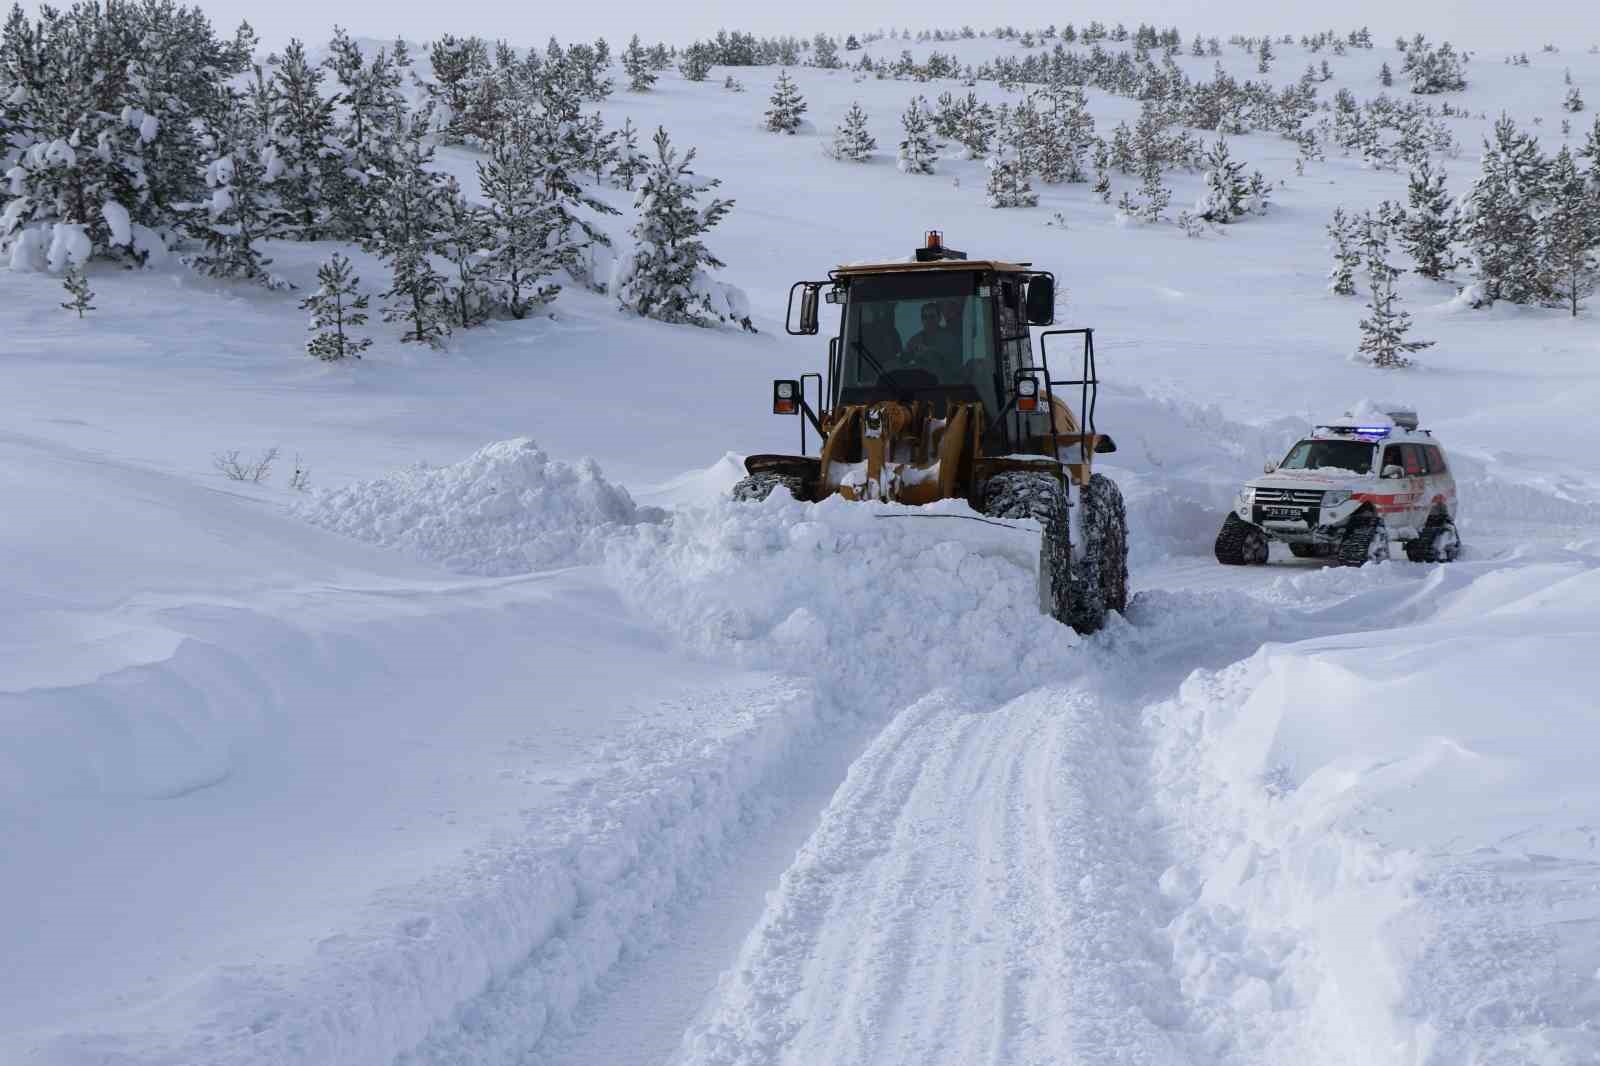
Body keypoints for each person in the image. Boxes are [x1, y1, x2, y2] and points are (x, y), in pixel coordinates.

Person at [902, 301, 960, 377]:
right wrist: (910, 355)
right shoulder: (915, 340)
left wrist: (930, 351)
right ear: (921, 320)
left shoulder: (949, 338)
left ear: (939, 318)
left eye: (932, 316)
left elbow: (954, 365)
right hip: (919, 379)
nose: (928, 320)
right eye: (924, 317)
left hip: (943, 381)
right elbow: (904, 359)